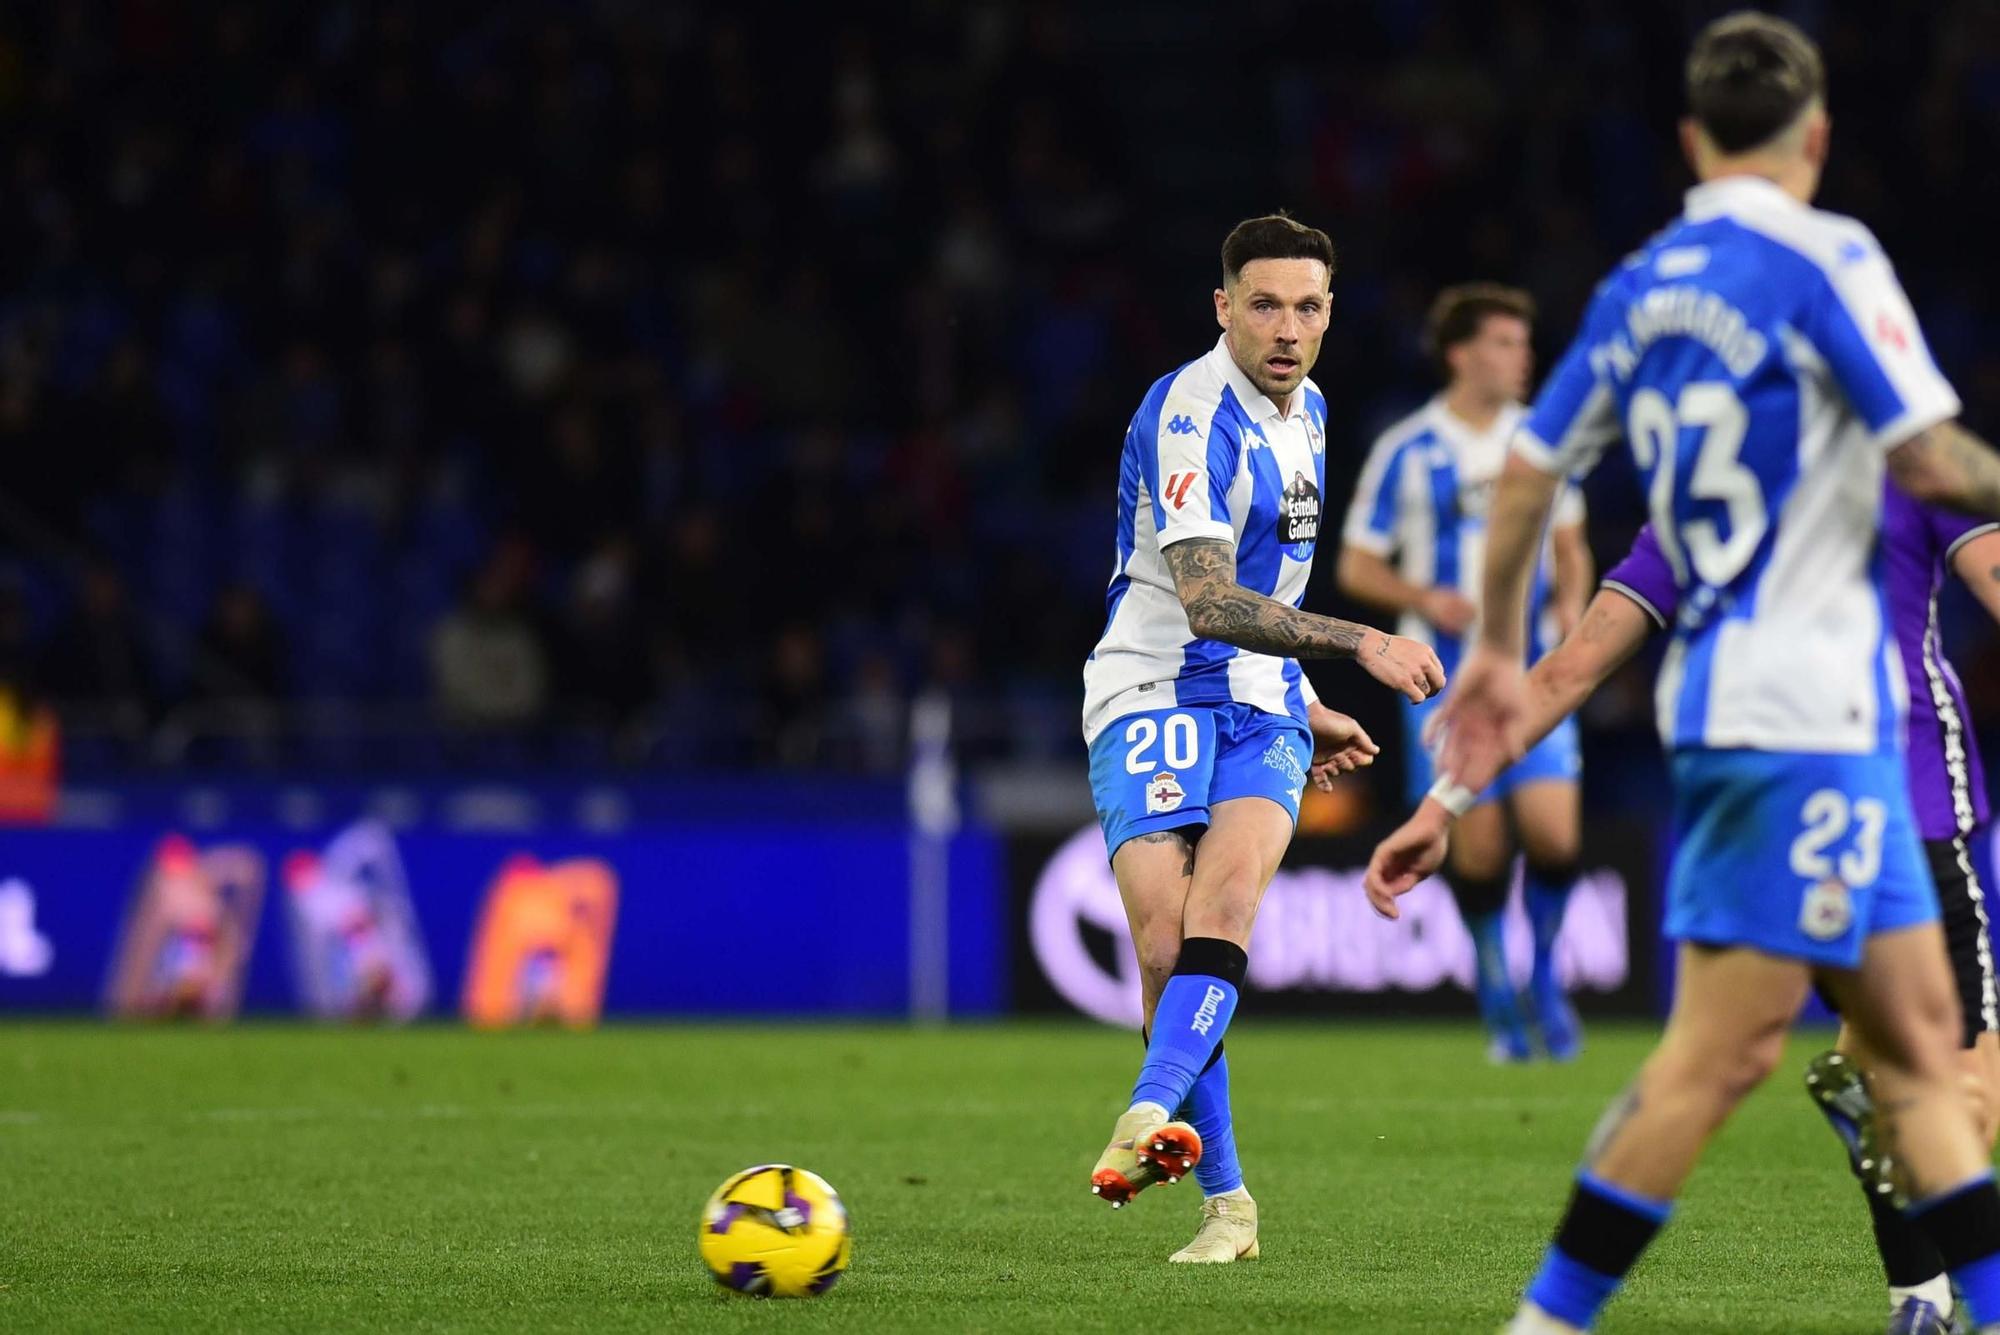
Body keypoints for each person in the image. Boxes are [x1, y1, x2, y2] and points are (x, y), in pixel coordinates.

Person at [1367, 14, 2000, 1332]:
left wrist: (1472, 701)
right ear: (1816, 135)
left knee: (1923, 1062)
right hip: (1819, 727)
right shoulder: (1829, 258)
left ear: (1689, 140)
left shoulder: (1639, 288)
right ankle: (1544, 1321)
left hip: (1733, 721)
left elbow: (1535, 478)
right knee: (1729, 1060)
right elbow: (1939, 461)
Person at [1381, 501, 2000, 1332]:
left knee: (1708, 1067)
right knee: (1958, 1087)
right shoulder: (1908, 457)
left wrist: (1444, 800)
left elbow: (1568, 668)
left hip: (1746, 813)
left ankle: (1917, 1296)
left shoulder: (1694, 491)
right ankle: (1914, 1190)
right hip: (1901, 805)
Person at [1082, 212, 1443, 1263]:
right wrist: (1356, 645)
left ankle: (1147, 1118)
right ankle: (1228, 1204)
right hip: (1148, 685)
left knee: (1224, 904)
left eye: (1307, 306)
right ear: (1222, 308)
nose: (1286, 328)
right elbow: (1204, 599)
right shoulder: (1188, 412)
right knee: (1163, 948)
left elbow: (1266, 595)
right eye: (1264, 304)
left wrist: (1298, 691)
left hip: (1261, 697)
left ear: (1328, 314)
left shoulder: (1314, 411)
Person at [1339, 283, 1593, 1062]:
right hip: (1442, 680)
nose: (1524, 357)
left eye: (1524, 343)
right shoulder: (1407, 449)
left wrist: (1572, 627)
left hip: (1532, 673)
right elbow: (1355, 564)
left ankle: (1544, 979)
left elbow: (1573, 550)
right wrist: (1421, 596)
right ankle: (1497, 990)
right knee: (1478, 851)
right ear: (1462, 353)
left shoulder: (1543, 441)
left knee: (1554, 837)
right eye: (1507, 343)